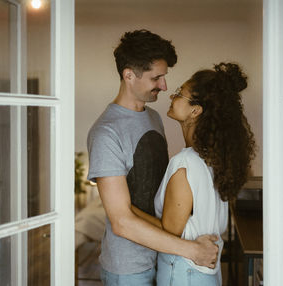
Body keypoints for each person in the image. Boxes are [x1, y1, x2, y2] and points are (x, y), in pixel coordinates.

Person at [87, 29, 219, 286]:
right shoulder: (106, 133)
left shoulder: (154, 118)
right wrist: (192, 249)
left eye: (164, 77)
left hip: (165, 258)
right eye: (156, 78)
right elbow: (122, 221)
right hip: (128, 268)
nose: (164, 86)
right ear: (129, 75)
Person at [132, 62, 256, 285]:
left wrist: (125, 207)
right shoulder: (214, 159)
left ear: (195, 110)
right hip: (207, 273)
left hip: (183, 273)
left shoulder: (185, 163)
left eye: (180, 93)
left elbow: (169, 231)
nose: (172, 95)